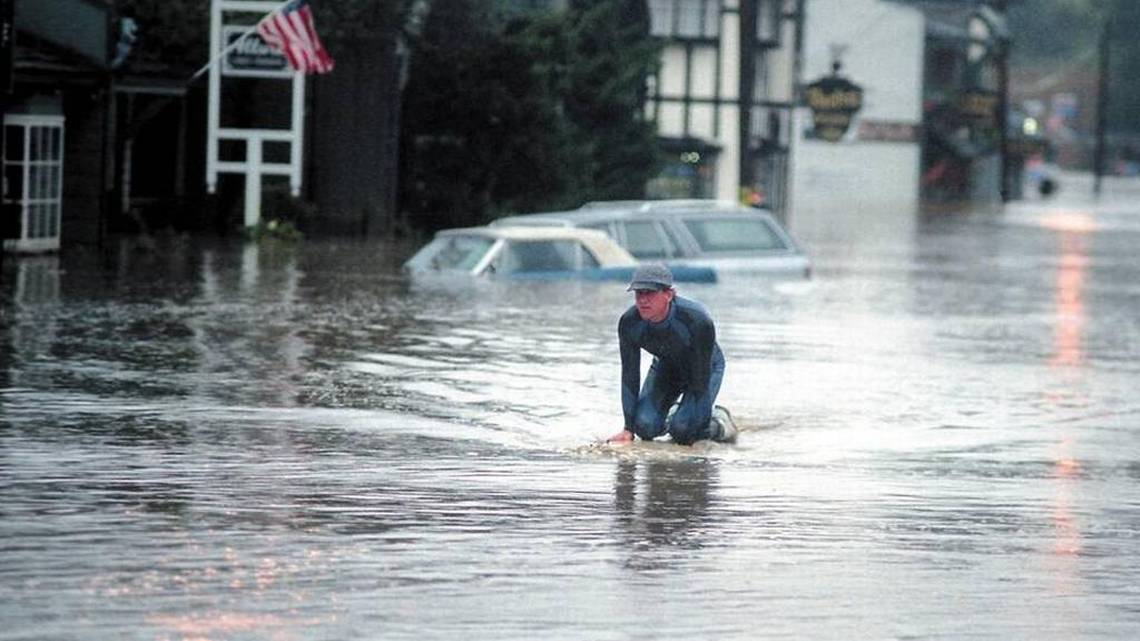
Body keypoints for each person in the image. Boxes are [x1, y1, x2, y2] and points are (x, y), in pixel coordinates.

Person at [606, 263, 733, 445]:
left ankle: (719, 420)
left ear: (669, 294)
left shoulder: (697, 320)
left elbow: (700, 382)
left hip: (704, 369)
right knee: (644, 427)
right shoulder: (629, 323)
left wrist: (701, 436)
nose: (643, 300)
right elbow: (629, 375)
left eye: (650, 293)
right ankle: (676, 414)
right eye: (638, 293)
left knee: (684, 432)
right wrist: (628, 428)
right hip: (666, 368)